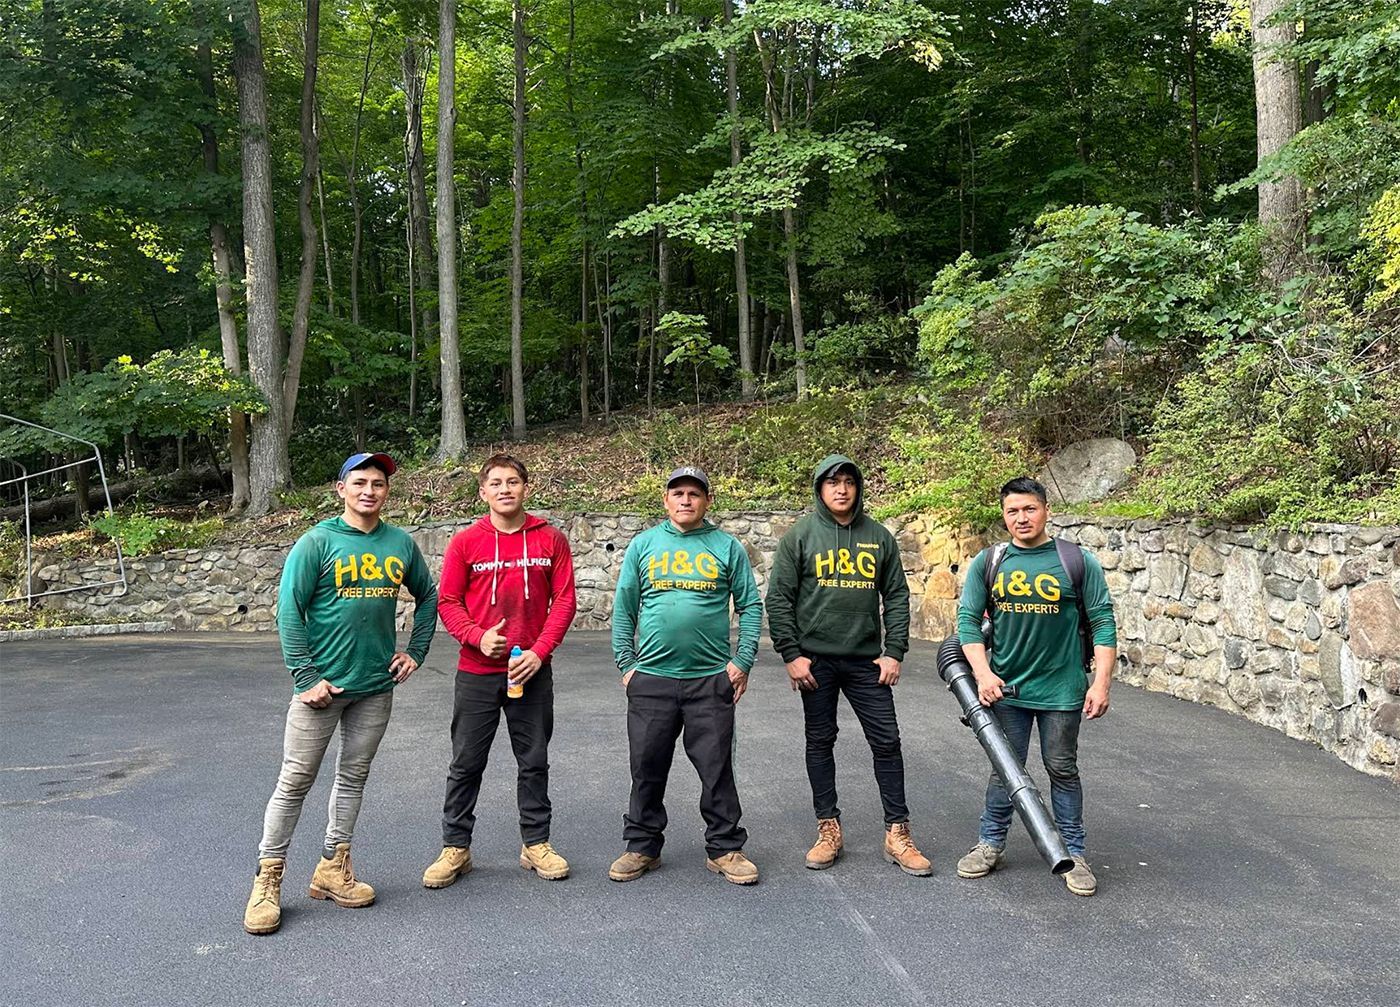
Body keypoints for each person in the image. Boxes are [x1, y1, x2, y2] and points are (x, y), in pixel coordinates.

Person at [244, 452, 438, 936]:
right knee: (294, 782)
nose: (370, 490)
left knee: (353, 778)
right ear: (341, 489)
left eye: (378, 483)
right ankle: (267, 879)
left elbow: (429, 595)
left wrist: (415, 649)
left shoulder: (400, 543)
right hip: (321, 691)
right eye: (360, 482)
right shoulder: (317, 542)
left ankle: (333, 867)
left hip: (376, 687)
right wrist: (305, 677)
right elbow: (289, 611)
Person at [765, 454, 930, 875]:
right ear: (820, 488)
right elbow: (779, 598)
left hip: (866, 662)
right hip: (814, 661)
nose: (841, 489)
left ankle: (898, 832)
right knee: (820, 742)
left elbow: (895, 596)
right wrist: (791, 654)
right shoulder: (800, 536)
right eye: (832, 482)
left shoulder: (878, 537)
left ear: (858, 487)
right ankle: (828, 830)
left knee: (887, 741)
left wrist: (894, 651)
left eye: (848, 482)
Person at [954, 476, 1117, 897]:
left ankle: (1074, 853)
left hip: (1063, 691)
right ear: (1004, 516)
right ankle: (990, 844)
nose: (1021, 518)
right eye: (1012, 511)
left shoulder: (1077, 561)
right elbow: (968, 623)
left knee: (1062, 769)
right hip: (1006, 690)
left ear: (1046, 510)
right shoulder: (989, 561)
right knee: (1005, 770)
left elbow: (1102, 624)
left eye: (1029, 509)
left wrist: (1100, 683)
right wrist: (984, 674)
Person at [424, 453, 577, 887]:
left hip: (531, 671)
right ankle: (456, 848)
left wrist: (540, 651)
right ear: (483, 492)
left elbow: (564, 600)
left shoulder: (551, 539)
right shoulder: (465, 542)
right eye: (496, 482)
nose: (505, 489)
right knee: (466, 762)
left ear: (525, 488)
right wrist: (476, 637)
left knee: (533, 761)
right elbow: (448, 602)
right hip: (476, 672)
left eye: (513, 481)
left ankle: (536, 844)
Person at [609, 466, 763, 885]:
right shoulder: (644, 545)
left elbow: (750, 607)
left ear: (707, 501)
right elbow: (624, 607)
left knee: (716, 769)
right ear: (665, 499)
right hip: (652, 680)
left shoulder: (725, 546)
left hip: (710, 679)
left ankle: (725, 847)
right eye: (677, 492)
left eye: (694, 493)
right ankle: (641, 846)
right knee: (646, 766)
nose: (685, 500)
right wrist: (627, 665)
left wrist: (742, 661)